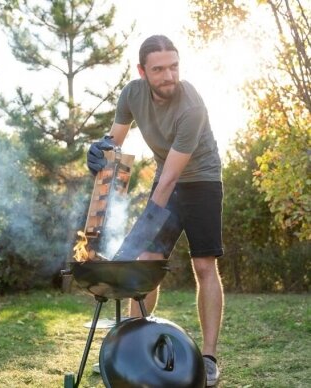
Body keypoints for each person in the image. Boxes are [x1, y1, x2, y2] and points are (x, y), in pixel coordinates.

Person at [87, 35, 224, 387]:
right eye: (159, 69)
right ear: (142, 71)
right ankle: (130, 346)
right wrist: (99, 151)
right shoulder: (132, 94)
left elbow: (169, 181)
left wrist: (133, 240)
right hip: (169, 178)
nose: (168, 76)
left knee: (204, 265)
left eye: (174, 67)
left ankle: (208, 358)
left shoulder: (191, 107)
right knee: (146, 259)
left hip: (202, 181)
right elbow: (113, 141)